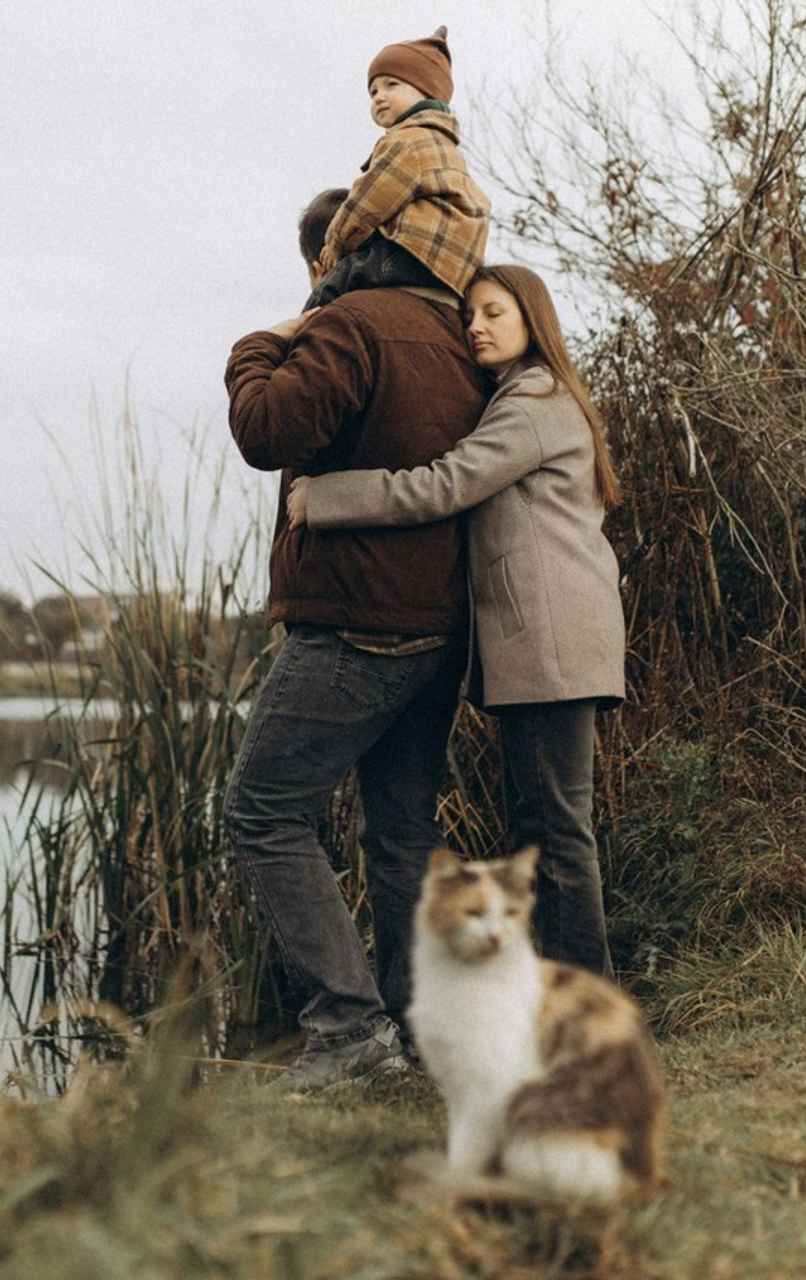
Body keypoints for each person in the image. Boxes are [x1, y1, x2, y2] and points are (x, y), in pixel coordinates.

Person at [224, 189, 490, 1092]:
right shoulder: (458, 333)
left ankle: (349, 1033)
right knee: (400, 831)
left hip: (359, 620)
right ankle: (415, 1034)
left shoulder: (346, 324)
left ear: (326, 258)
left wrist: (256, 348)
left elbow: (268, 431)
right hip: (441, 624)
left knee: (263, 810)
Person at [288, 265, 625, 978]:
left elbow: (446, 484)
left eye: (494, 312)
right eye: (470, 313)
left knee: (555, 831)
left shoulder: (532, 400)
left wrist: (324, 498)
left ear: (533, 321)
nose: (476, 326)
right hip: (551, 641)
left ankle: (580, 1007)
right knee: (549, 826)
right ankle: (564, 1001)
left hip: (550, 643)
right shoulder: (529, 395)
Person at [305, 25, 490, 310]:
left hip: (414, 254)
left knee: (332, 286)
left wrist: (337, 242)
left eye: (392, 85)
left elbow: (369, 199)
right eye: (373, 91)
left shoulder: (408, 141)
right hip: (451, 271)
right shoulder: (445, 147)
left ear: (427, 92)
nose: (379, 96)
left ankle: (303, 333)